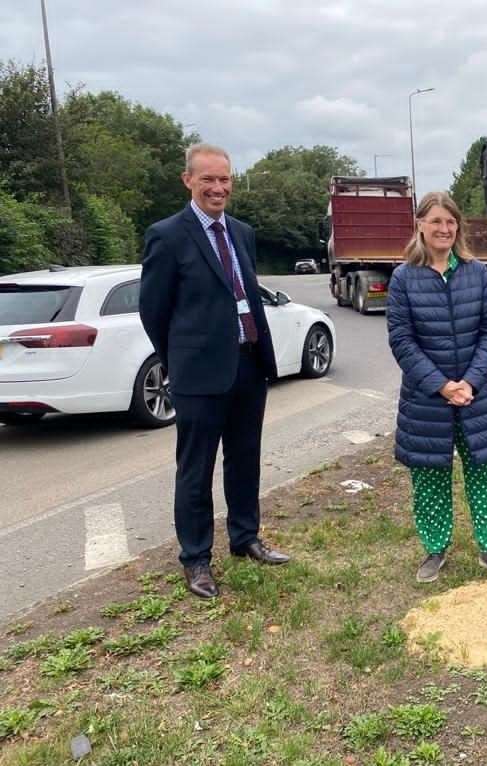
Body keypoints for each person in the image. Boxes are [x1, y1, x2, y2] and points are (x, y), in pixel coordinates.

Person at [140, 143, 289, 599]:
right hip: (199, 376)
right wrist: (180, 361)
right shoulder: (168, 235)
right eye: (208, 179)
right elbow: (153, 311)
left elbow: (245, 294)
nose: (218, 188)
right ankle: (196, 559)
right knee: (196, 469)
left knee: (244, 460)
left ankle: (245, 538)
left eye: (225, 179)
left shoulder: (242, 232)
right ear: (188, 180)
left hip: (247, 365)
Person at [386, 191, 487, 584]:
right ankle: (434, 548)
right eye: (436, 221)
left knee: (485, 473)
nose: (444, 229)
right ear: (420, 225)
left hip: (475, 396)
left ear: (458, 226)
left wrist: (470, 382)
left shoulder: (476, 273)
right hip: (426, 401)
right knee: (429, 478)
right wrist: (441, 385)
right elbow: (402, 340)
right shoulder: (403, 278)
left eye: (450, 221)